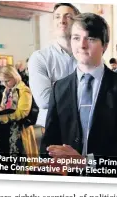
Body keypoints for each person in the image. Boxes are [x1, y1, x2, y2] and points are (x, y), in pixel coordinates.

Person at [40, 13, 117, 177]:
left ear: (105, 45)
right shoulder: (60, 87)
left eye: (91, 39)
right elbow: (50, 140)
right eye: (76, 38)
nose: (82, 45)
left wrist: (86, 162)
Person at [28, 3, 80, 132]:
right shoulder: (40, 57)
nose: (62, 21)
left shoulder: (87, 56)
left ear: (77, 23)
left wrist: (56, 88)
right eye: (57, 17)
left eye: (68, 17)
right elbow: (44, 100)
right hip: (50, 129)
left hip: (81, 129)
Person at [0, 66, 38, 173]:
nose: (4, 84)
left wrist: (0, 117)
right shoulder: (7, 90)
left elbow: (22, 113)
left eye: (7, 81)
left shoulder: (24, 90)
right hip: (6, 129)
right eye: (2, 82)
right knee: (6, 159)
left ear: (14, 77)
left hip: (20, 130)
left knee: (19, 160)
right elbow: (3, 106)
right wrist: (0, 110)